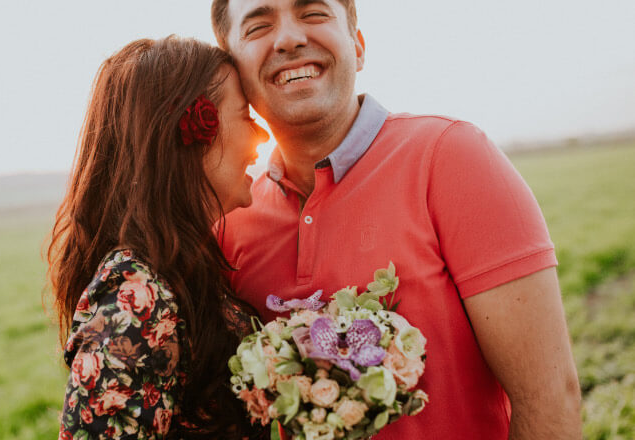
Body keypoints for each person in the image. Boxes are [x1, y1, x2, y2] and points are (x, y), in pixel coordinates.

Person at [210, 0, 583, 438]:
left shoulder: (451, 156)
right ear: (233, 70)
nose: (290, 38)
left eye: (313, 14)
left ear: (358, 46)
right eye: (258, 26)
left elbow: (549, 396)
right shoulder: (231, 219)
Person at [46, 36, 270, 439]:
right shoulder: (137, 293)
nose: (261, 139)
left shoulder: (179, 265)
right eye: (245, 116)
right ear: (195, 133)